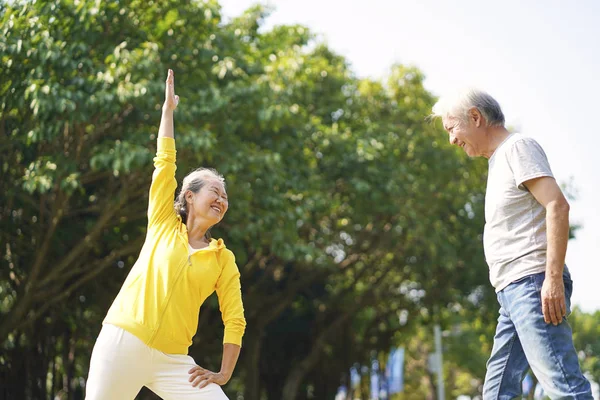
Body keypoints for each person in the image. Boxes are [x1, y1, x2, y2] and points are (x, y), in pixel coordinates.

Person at [85, 69, 246, 399]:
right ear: (189, 195)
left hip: (173, 360)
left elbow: (235, 318)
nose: (221, 199)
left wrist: (224, 373)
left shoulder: (222, 258)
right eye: (215, 191)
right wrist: (166, 113)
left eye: (225, 197)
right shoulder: (162, 222)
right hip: (123, 341)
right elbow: (165, 163)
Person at [431, 89, 592, 399]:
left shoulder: (518, 148)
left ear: (475, 117)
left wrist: (552, 279)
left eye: (452, 128)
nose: (451, 140)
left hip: (532, 285)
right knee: (496, 392)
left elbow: (557, 206)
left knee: (564, 387)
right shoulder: (498, 161)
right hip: (511, 293)